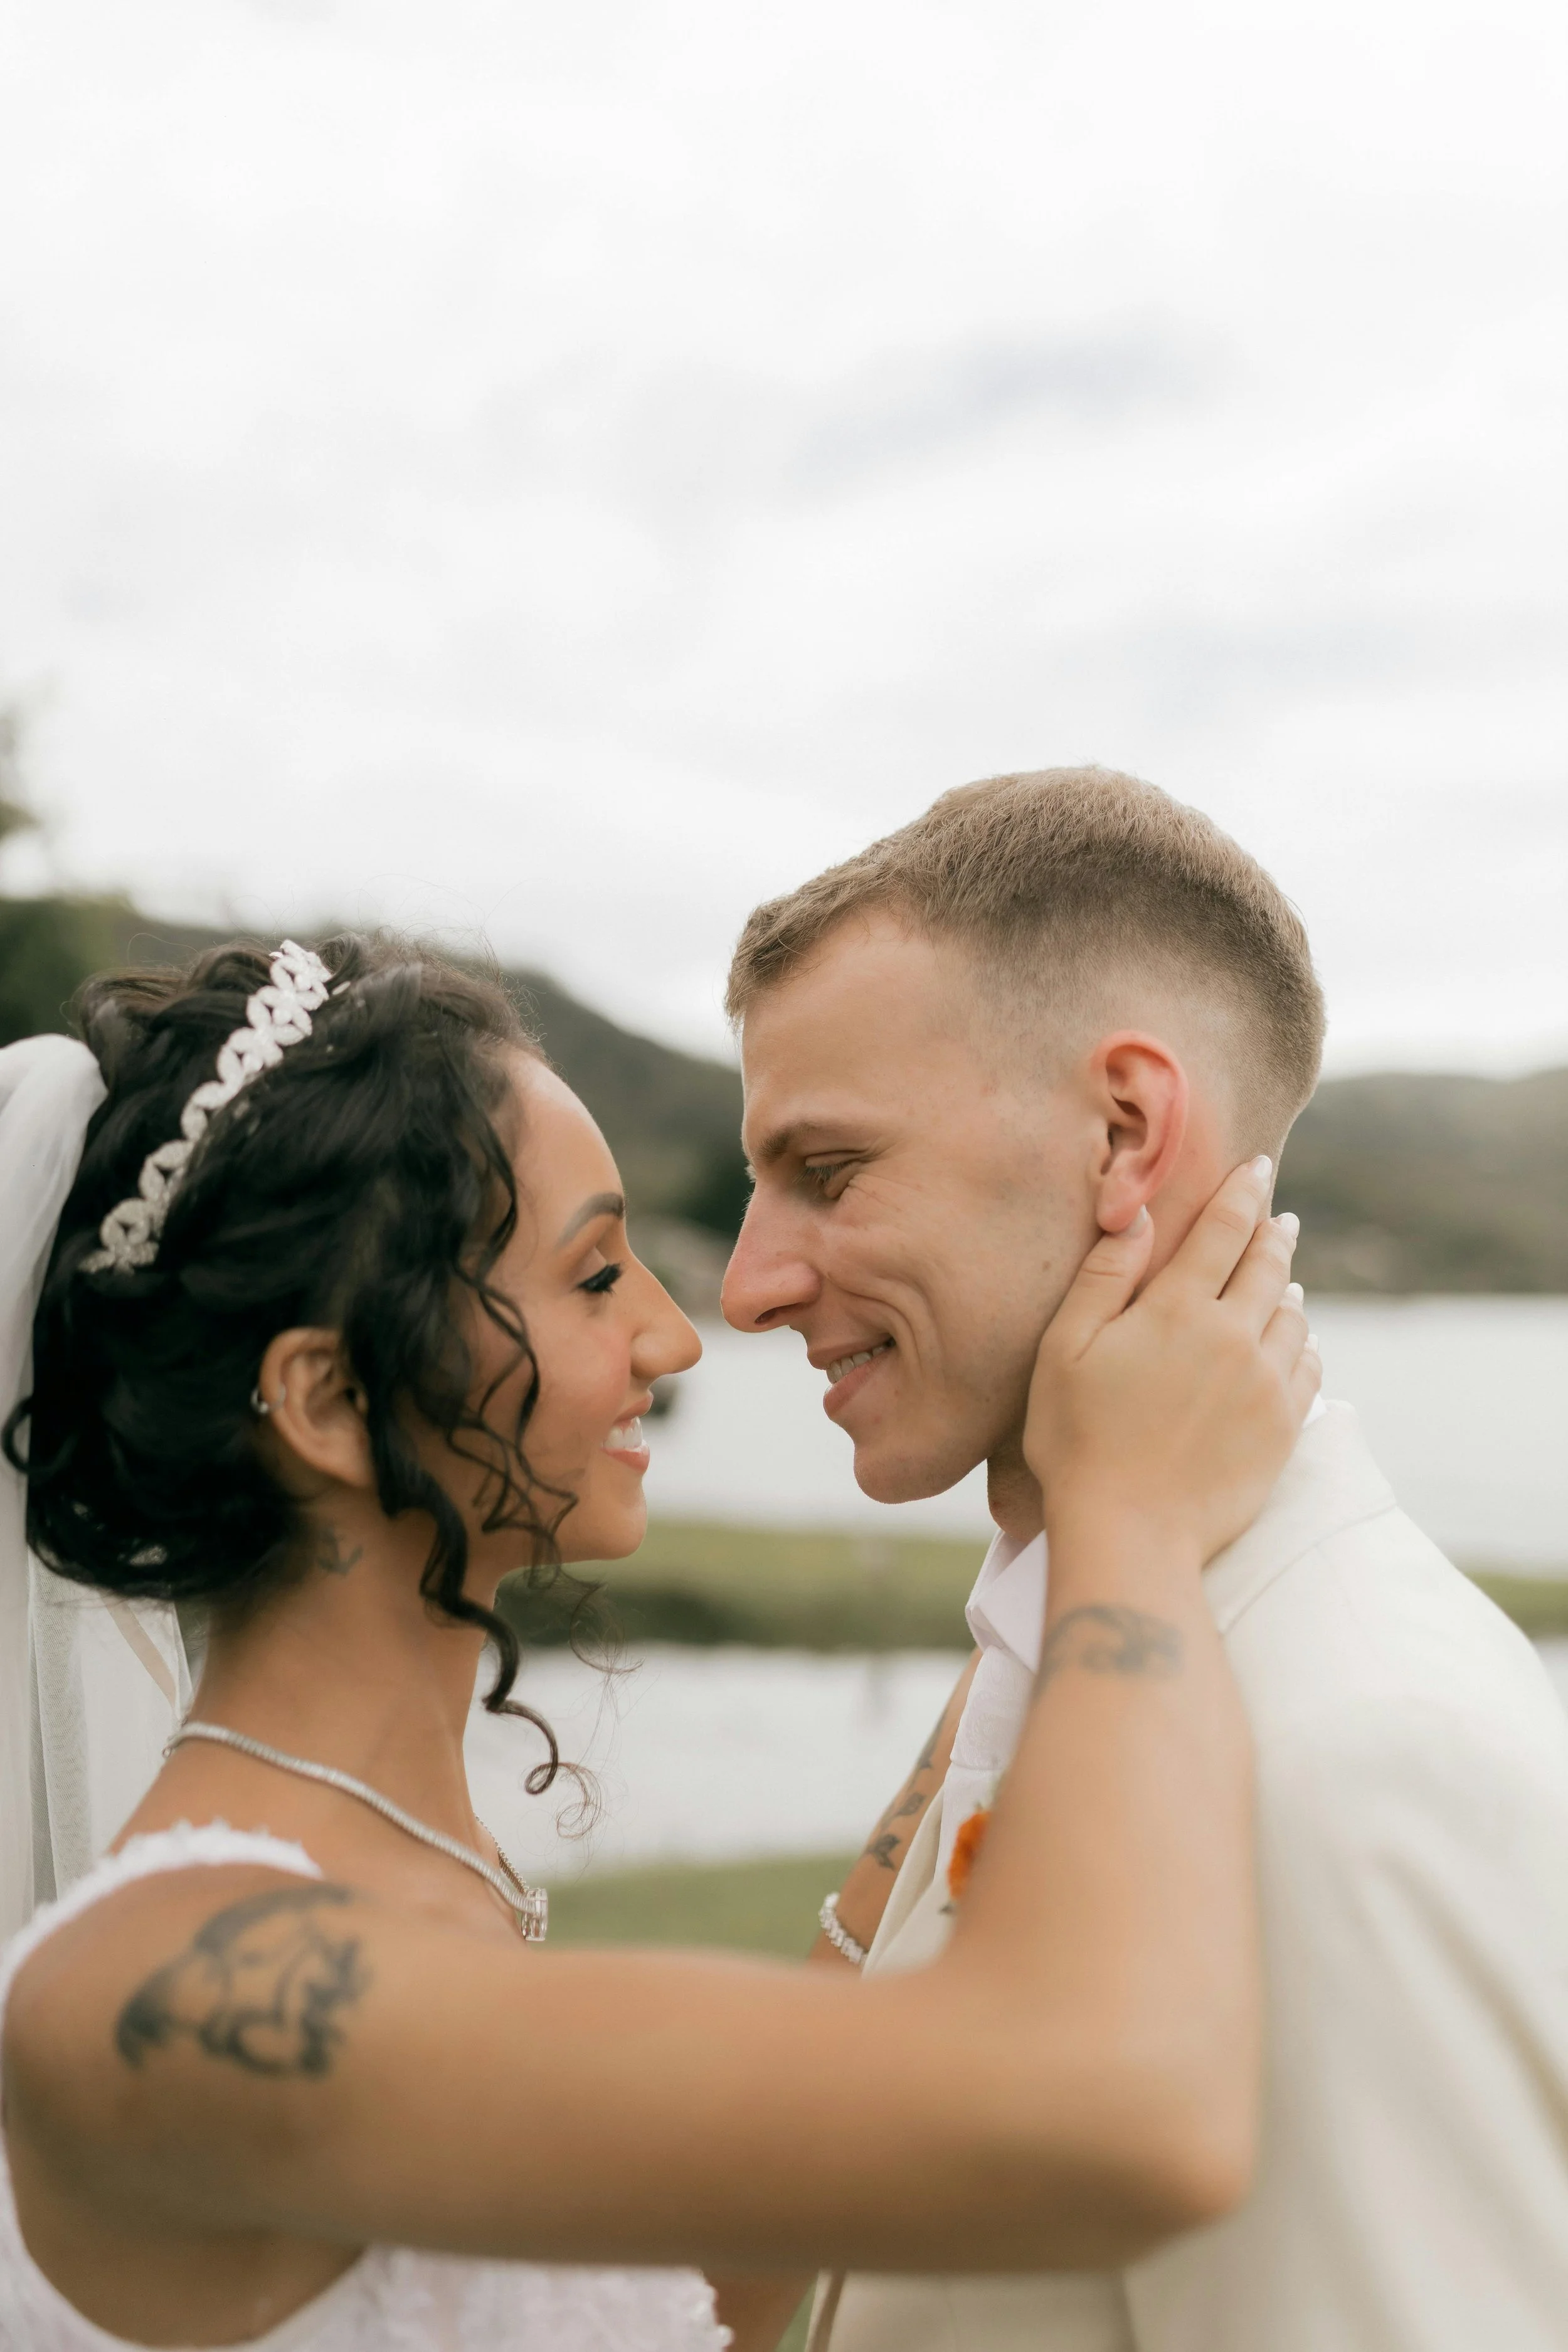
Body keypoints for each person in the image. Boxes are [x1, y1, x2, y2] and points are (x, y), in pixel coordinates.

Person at [0, 933, 1313, 2351]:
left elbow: (695, 2291)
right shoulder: (167, 1991)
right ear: (326, 1401)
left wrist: (1025, 1614)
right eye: (591, 1277)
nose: (675, 1341)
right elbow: (1121, 2118)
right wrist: (1133, 1510)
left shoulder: (421, 1881)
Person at [722, 765, 1568, 2352]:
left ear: (1123, 1132)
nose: (749, 1285)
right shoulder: (1087, 1638)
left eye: (826, 1174)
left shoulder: (1346, 1766)